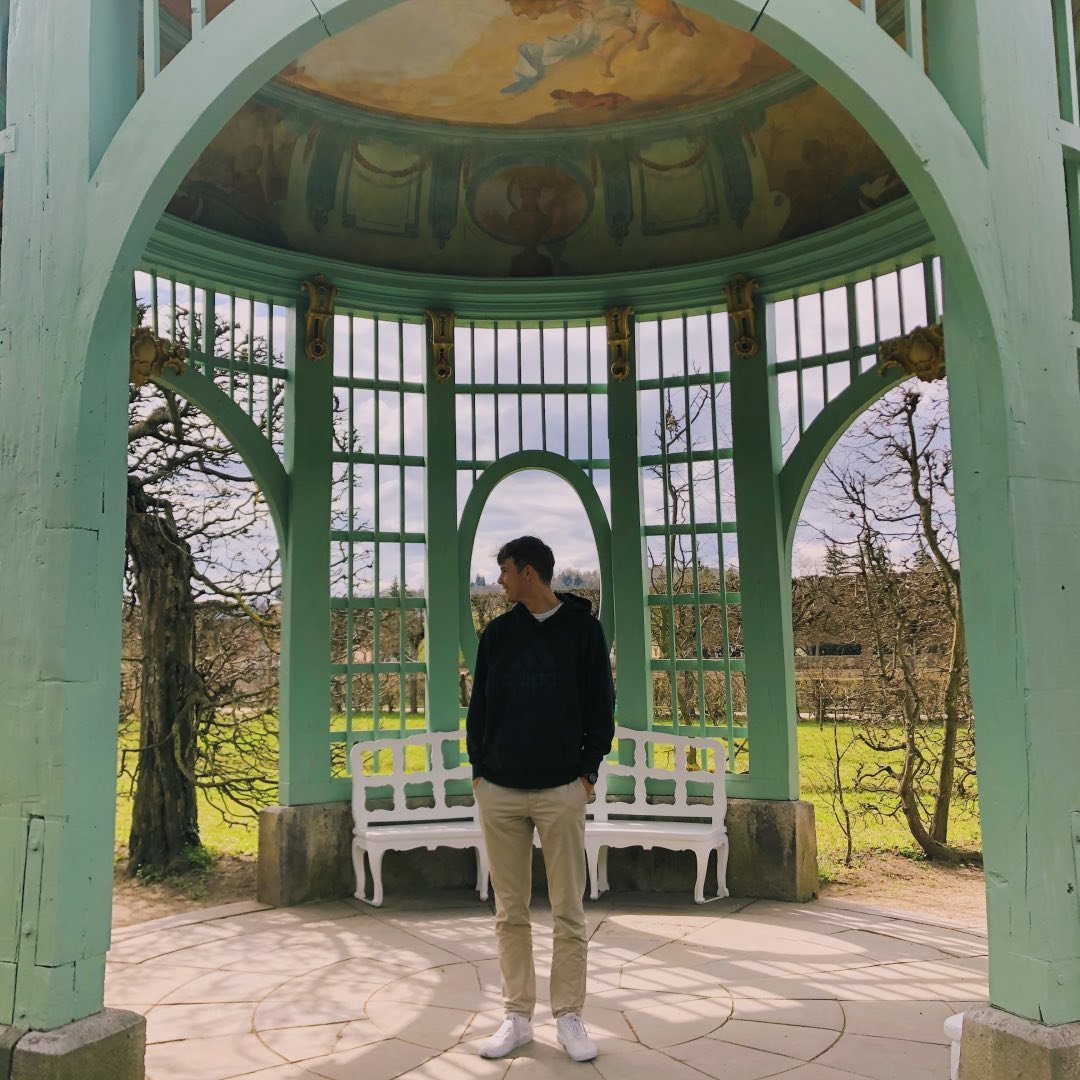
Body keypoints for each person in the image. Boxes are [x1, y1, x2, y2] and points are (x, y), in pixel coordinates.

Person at [467, 536, 615, 1062]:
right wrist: (480, 772)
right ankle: (517, 1017)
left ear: (528, 572)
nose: (499, 580)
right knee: (510, 912)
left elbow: (601, 705)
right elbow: (479, 709)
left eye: (505, 571)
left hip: (561, 791)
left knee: (568, 910)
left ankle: (569, 1016)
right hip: (500, 791)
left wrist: (587, 773)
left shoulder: (583, 631)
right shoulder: (497, 636)